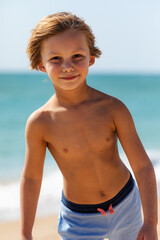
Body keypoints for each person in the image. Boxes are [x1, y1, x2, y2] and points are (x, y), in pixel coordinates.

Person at [20, 12, 158, 240]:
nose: (68, 66)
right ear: (41, 65)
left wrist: (151, 222)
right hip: (78, 220)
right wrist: (25, 233)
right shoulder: (40, 122)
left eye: (77, 56)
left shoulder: (113, 108)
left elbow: (142, 166)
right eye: (56, 59)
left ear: (91, 58)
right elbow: (31, 179)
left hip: (126, 205)